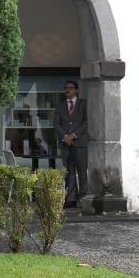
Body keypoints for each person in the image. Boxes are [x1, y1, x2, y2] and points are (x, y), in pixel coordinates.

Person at [54, 80, 88, 208]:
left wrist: (73, 135)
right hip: (66, 144)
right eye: (66, 88)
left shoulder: (83, 104)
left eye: (70, 88)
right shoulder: (60, 105)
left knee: (82, 171)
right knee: (69, 172)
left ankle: (84, 197)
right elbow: (56, 124)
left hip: (79, 144)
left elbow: (86, 122)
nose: (67, 90)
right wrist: (64, 136)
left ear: (76, 90)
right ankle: (70, 198)